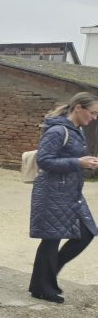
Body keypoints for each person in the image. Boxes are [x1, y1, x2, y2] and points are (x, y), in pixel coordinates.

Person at [28, 92, 98, 304]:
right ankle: (42, 287)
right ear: (78, 107)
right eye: (93, 112)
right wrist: (78, 163)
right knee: (52, 238)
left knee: (87, 233)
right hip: (52, 191)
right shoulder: (58, 131)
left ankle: (45, 278)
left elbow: (69, 159)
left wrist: (84, 163)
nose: (94, 117)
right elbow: (44, 160)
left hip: (70, 192)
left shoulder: (77, 131)